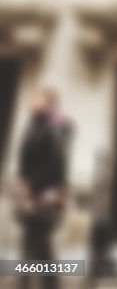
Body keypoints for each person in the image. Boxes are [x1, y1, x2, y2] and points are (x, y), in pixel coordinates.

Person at [15, 87, 73, 289]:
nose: (33, 102)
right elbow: (24, 157)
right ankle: (44, 283)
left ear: (48, 103)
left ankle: (31, 283)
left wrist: (32, 185)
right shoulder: (34, 126)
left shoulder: (54, 127)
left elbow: (55, 163)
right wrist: (22, 180)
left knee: (36, 239)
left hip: (46, 192)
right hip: (34, 190)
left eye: (37, 99)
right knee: (37, 241)